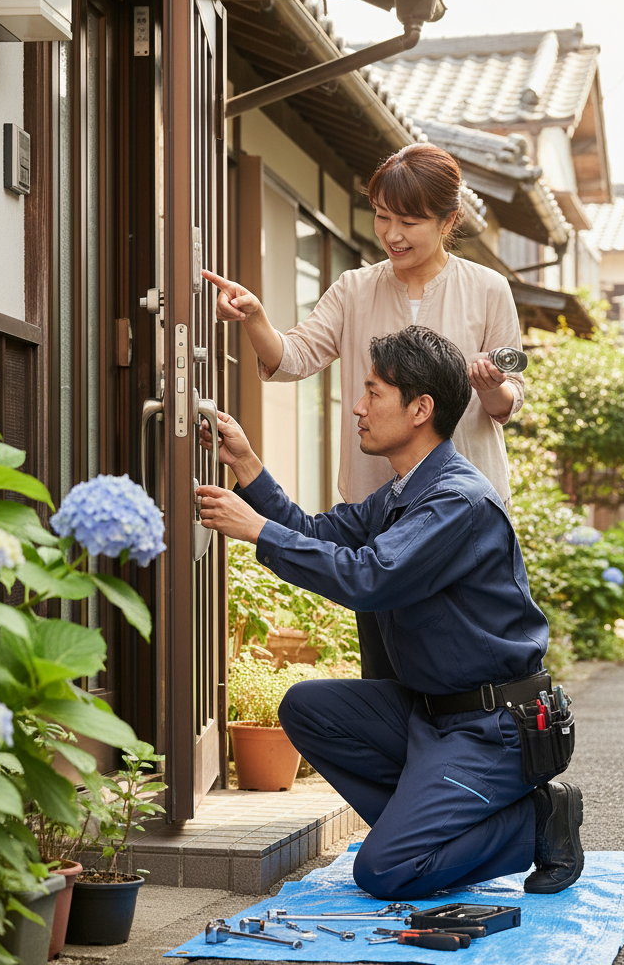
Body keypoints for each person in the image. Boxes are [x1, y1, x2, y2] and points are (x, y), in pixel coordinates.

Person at [195, 326, 583, 900]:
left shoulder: (456, 500)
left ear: (420, 409)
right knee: (308, 708)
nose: (358, 407)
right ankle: (422, 828)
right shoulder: (405, 491)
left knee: (384, 872)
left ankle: (535, 821)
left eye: (373, 392)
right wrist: (247, 465)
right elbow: (317, 533)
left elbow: (369, 577)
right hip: (431, 714)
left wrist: (257, 530)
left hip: (490, 727)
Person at [201, 143, 524, 681]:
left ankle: (472, 733)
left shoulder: (488, 289)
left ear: (449, 220)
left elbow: (509, 401)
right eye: (381, 216)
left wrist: (491, 388)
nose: (392, 234)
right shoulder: (354, 288)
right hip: (380, 504)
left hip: (460, 509)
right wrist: (255, 317)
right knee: (387, 660)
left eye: (409, 221)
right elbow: (293, 356)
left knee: (466, 662)